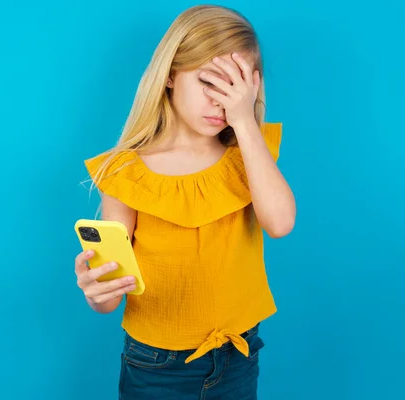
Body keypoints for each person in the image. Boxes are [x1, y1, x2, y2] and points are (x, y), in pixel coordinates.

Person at [75, 5, 296, 399]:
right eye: (211, 83)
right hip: (156, 367)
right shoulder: (127, 172)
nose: (221, 103)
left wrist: (246, 122)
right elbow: (111, 294)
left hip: (237, 357)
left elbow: (280, 223)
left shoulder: (247, 157)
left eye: (236, 90)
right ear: (172, 75)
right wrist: (98, 292)